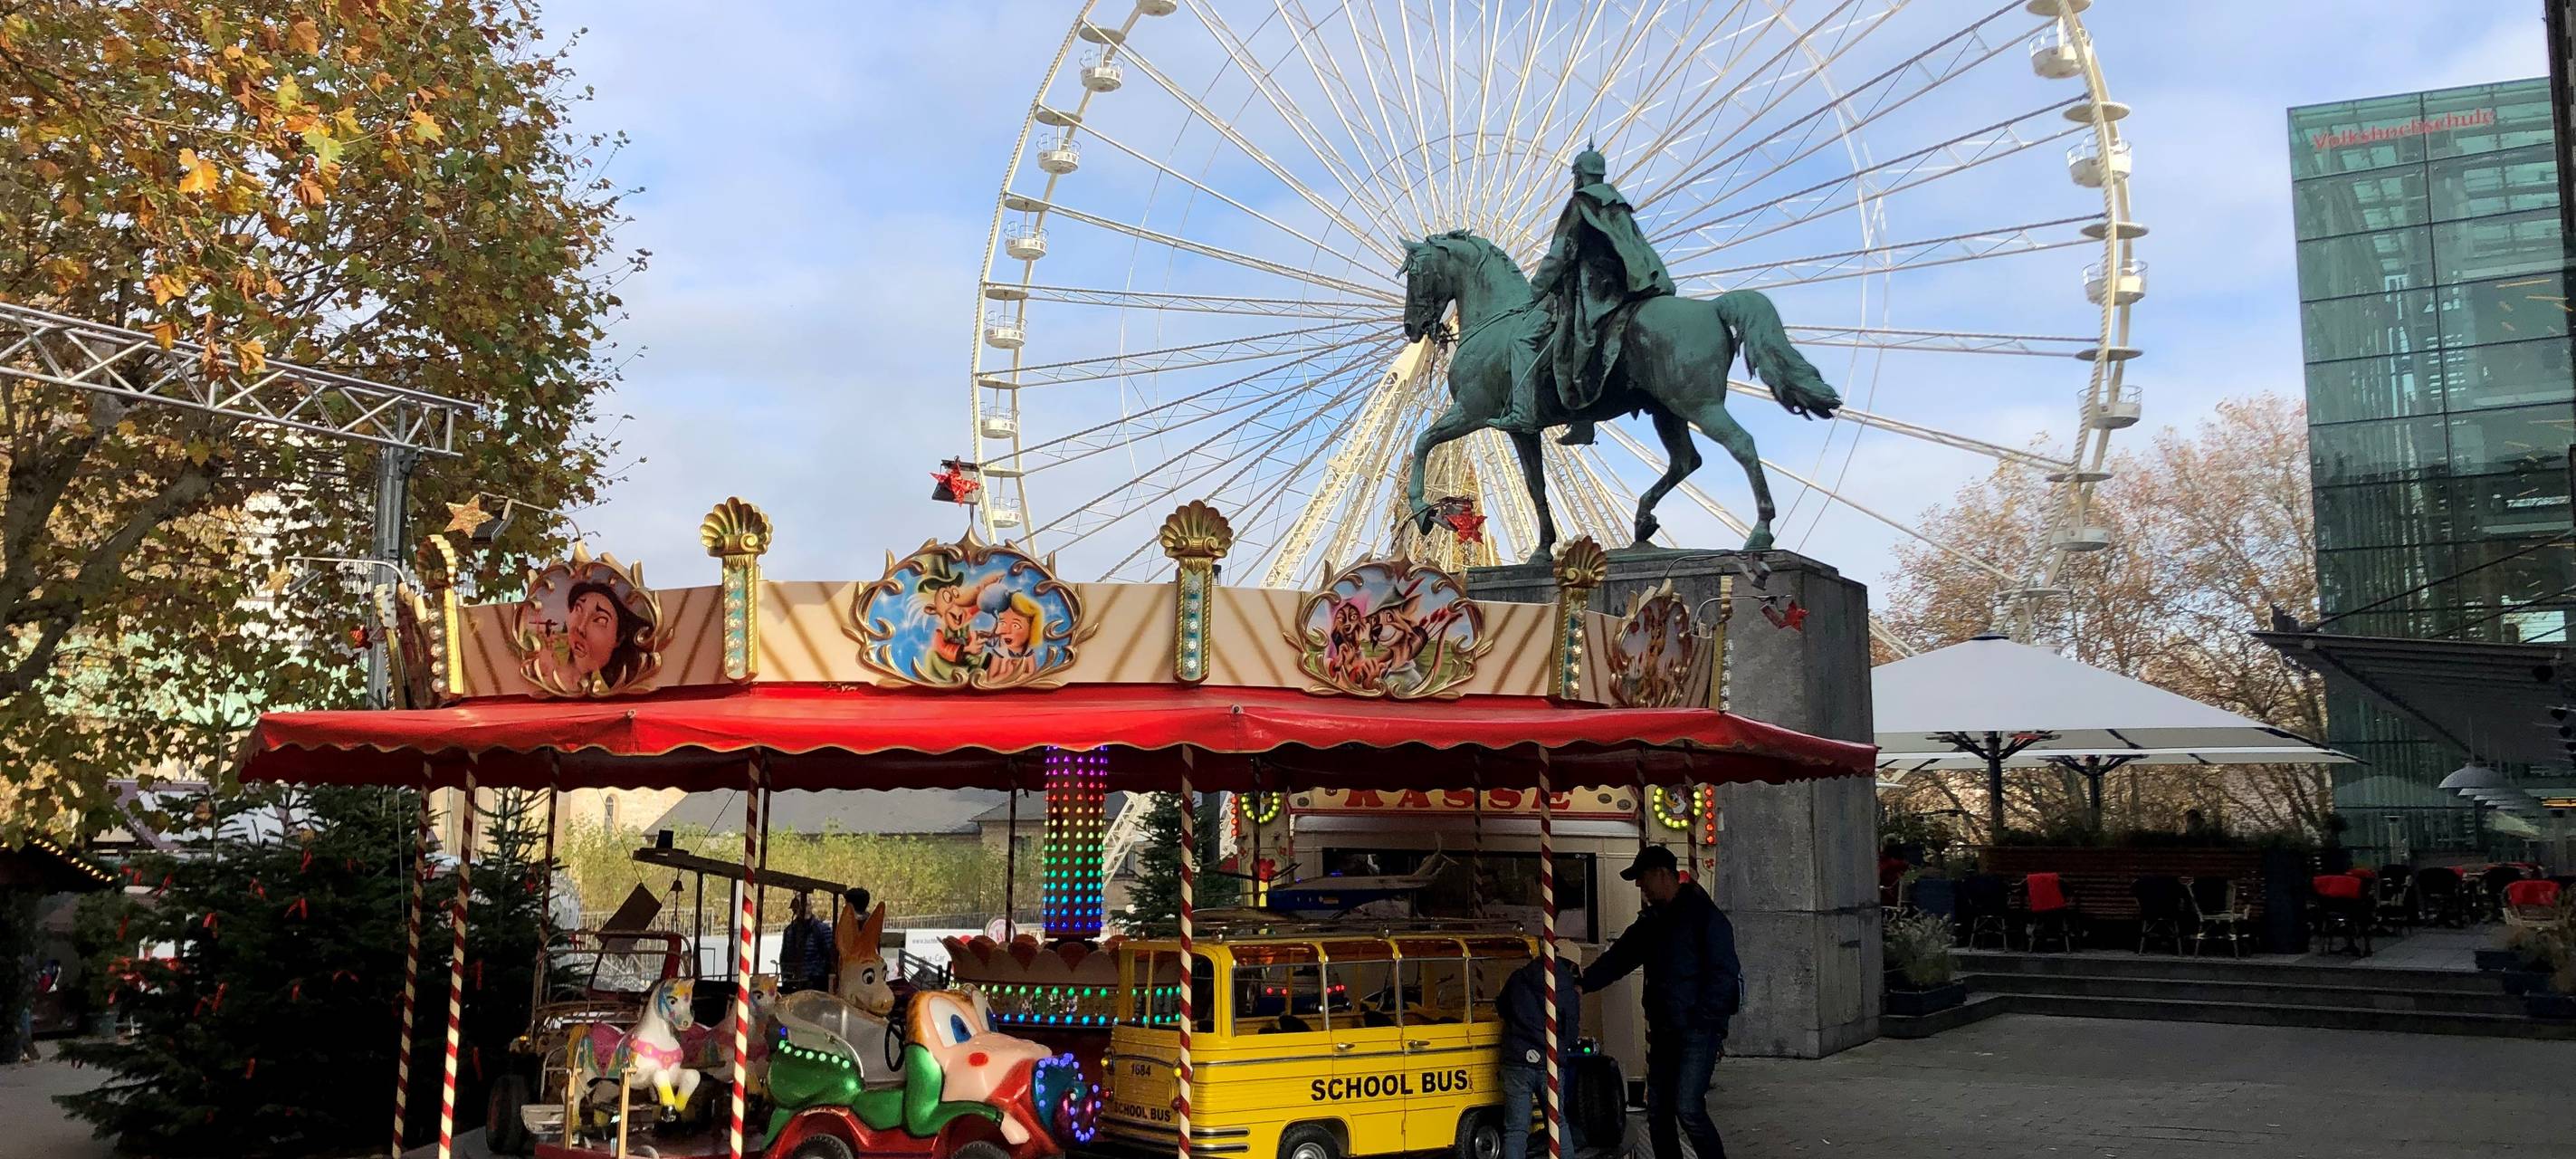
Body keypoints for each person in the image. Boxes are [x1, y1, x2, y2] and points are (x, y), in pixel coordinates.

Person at [1501, 144, 1676, 445]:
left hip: (1591, 289)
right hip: (1628, 287)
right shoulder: (1618, 204)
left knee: (1527, 340)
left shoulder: (1581, 203)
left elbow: (1560, 254)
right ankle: (1583, 421)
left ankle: (1523, 412)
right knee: (1579, 347)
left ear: (1579, 176)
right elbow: (1637, 247)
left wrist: (1534, 291)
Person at [1582, 845, 1740, 1159]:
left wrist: (1705, 1020)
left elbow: (1724, 974)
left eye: (1642, 878)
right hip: (1667, 1026)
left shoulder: (1703, 916)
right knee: (1658, 1111)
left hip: (1696, 1028)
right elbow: (1620, 957)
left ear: (1662, 874)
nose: (1640, 887)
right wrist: (1582, 983)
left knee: (1688, 1107)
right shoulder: (1653, 922)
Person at [1498, 952, 1584, 1159]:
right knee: (1558, 1124)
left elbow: (1501, 1007)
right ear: (1572, 967)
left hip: (1516, 1059)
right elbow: (1571, 1033)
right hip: (1550, 1064)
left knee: (1516, 1130)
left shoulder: (1518, 977)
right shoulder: (1566, 990)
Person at [778, 890, 835, 994]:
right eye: (800, 907)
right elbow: (784, 959)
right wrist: (787, 979)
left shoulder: (822, 930)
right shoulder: (790, 931)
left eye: (808, 905)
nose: (805, 910)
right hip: (794, 985)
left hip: (817, 986)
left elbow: (831, 959)